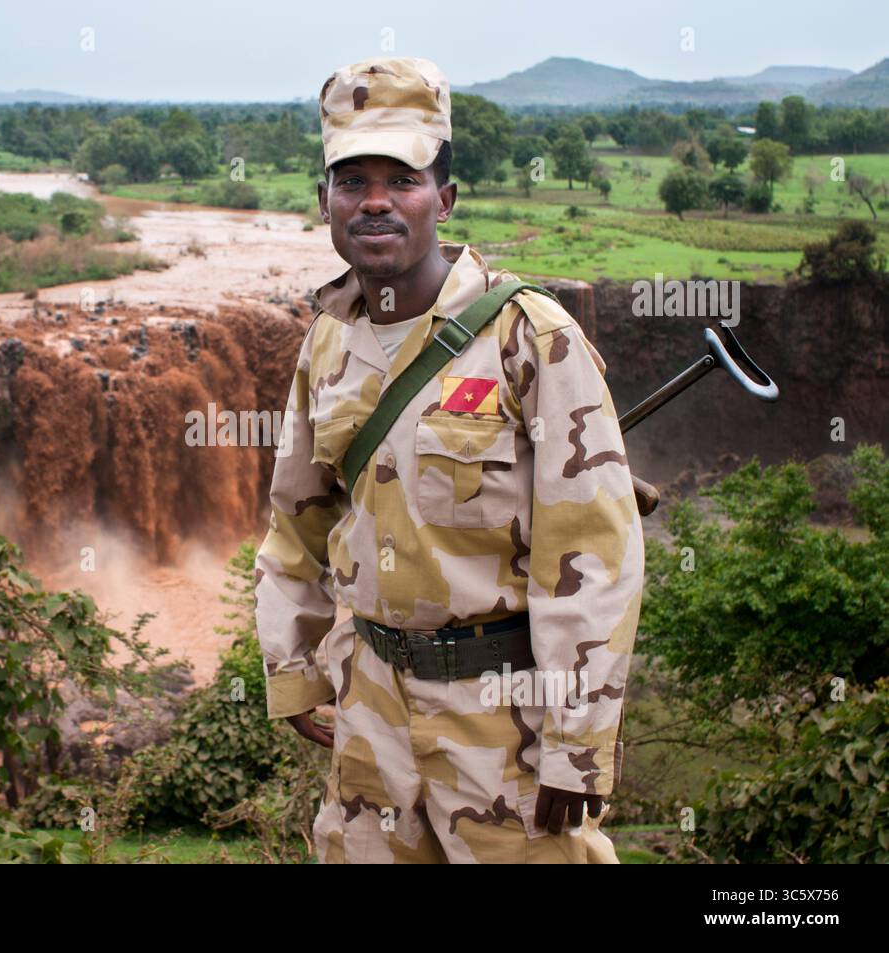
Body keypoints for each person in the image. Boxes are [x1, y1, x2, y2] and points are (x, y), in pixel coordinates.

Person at [254, 56, 644, 863]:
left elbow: (593, 558)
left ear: (445, 197)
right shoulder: (326, 344)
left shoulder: (529, 338)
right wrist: (291, 670)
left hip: (504, 722)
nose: (374, 201)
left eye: (402, 178)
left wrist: (577, 744)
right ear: (323, 200)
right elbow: (297, 522)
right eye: (351, 179)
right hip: (368, 719)